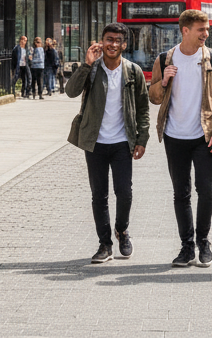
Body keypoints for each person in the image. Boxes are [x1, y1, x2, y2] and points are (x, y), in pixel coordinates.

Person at [148, 9, 212, 268]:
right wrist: (163, 81)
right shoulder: (164, 59)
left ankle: (203, 241)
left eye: (207, 29)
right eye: (201, 30)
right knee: (181, 193)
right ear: (185, 31)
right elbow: (153, 97)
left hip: (203, 136)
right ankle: (187, 247)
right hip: (174, 136)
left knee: (206, 190)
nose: (206, 34)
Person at [66, 23, 149, 263]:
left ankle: (122, 230)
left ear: (124, 44)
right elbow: (71, 91)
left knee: (124, 192)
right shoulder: (92, 69)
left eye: (117, 40)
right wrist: (86, 64)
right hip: (96, 143)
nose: (112, 44)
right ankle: (105, 244)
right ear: (101, 42)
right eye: (108, 39)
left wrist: (142, 139)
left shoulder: (132, 71)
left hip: (123, 142)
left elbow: (143, 108)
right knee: (99, 195)